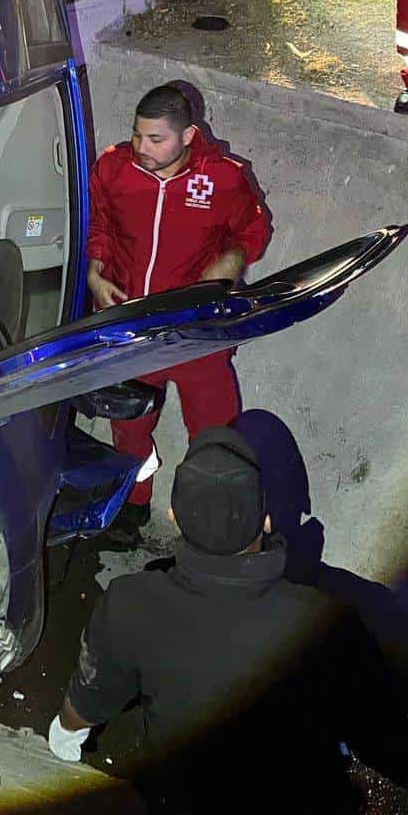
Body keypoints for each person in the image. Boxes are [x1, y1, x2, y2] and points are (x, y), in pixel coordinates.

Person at [48, 429, 408, 815]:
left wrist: (65, 734)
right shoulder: (324, 623)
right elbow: (384, 734)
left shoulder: (130, 603)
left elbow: (85, 703)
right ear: (266, 519)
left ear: (173, 516)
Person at [85, 82, 268, 546]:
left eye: (155, 140)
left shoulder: (223, 177)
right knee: (128, 430)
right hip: (132, 328)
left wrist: (230, 262)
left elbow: (253, 230)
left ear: (187, 136)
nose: (141, 149)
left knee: (214, 436)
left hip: (196, 333)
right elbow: (99, 222)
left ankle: (205, 532)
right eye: (137, 136)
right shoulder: (113, 168)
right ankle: (132, 507)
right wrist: (94, 269)